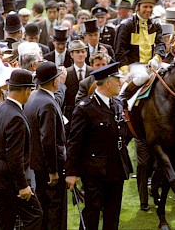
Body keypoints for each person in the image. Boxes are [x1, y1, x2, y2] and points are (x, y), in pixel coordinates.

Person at [114, 0, 165, 211]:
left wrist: (156, 58)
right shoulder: (126, 25)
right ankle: (120, 104)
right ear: (137, 7)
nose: (148, 9)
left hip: (151, 64)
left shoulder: (156, 26)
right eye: (145, 6)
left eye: (151, 7)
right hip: (132, 67)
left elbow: (162, 45)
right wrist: (127, 71)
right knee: (142, 76)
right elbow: (120, 51)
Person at [65, 62, 132, 230]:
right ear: (107, 83)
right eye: (117, 80)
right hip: (94, 170)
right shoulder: (85, 109)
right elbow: (75, 142)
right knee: (92, 212)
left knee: (113, 213)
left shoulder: (116, 104)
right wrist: (71, 173)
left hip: (116, 167)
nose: (120, 83)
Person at [0, 69, 43, 230]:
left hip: (1, 178)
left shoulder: (1, 109)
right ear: (27, 91)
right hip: (11, 181)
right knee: (35, 215)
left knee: (5, 220)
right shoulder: (16, 117)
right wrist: (22, 185)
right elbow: (15, 157)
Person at [24, 62, 68, 230]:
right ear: (54, 81)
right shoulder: (47, 103)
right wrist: (53, 170)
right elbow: (48, 140)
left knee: (43, 208)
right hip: (47, 168)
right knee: (54, 211)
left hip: (35, 164)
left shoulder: (34, 96)